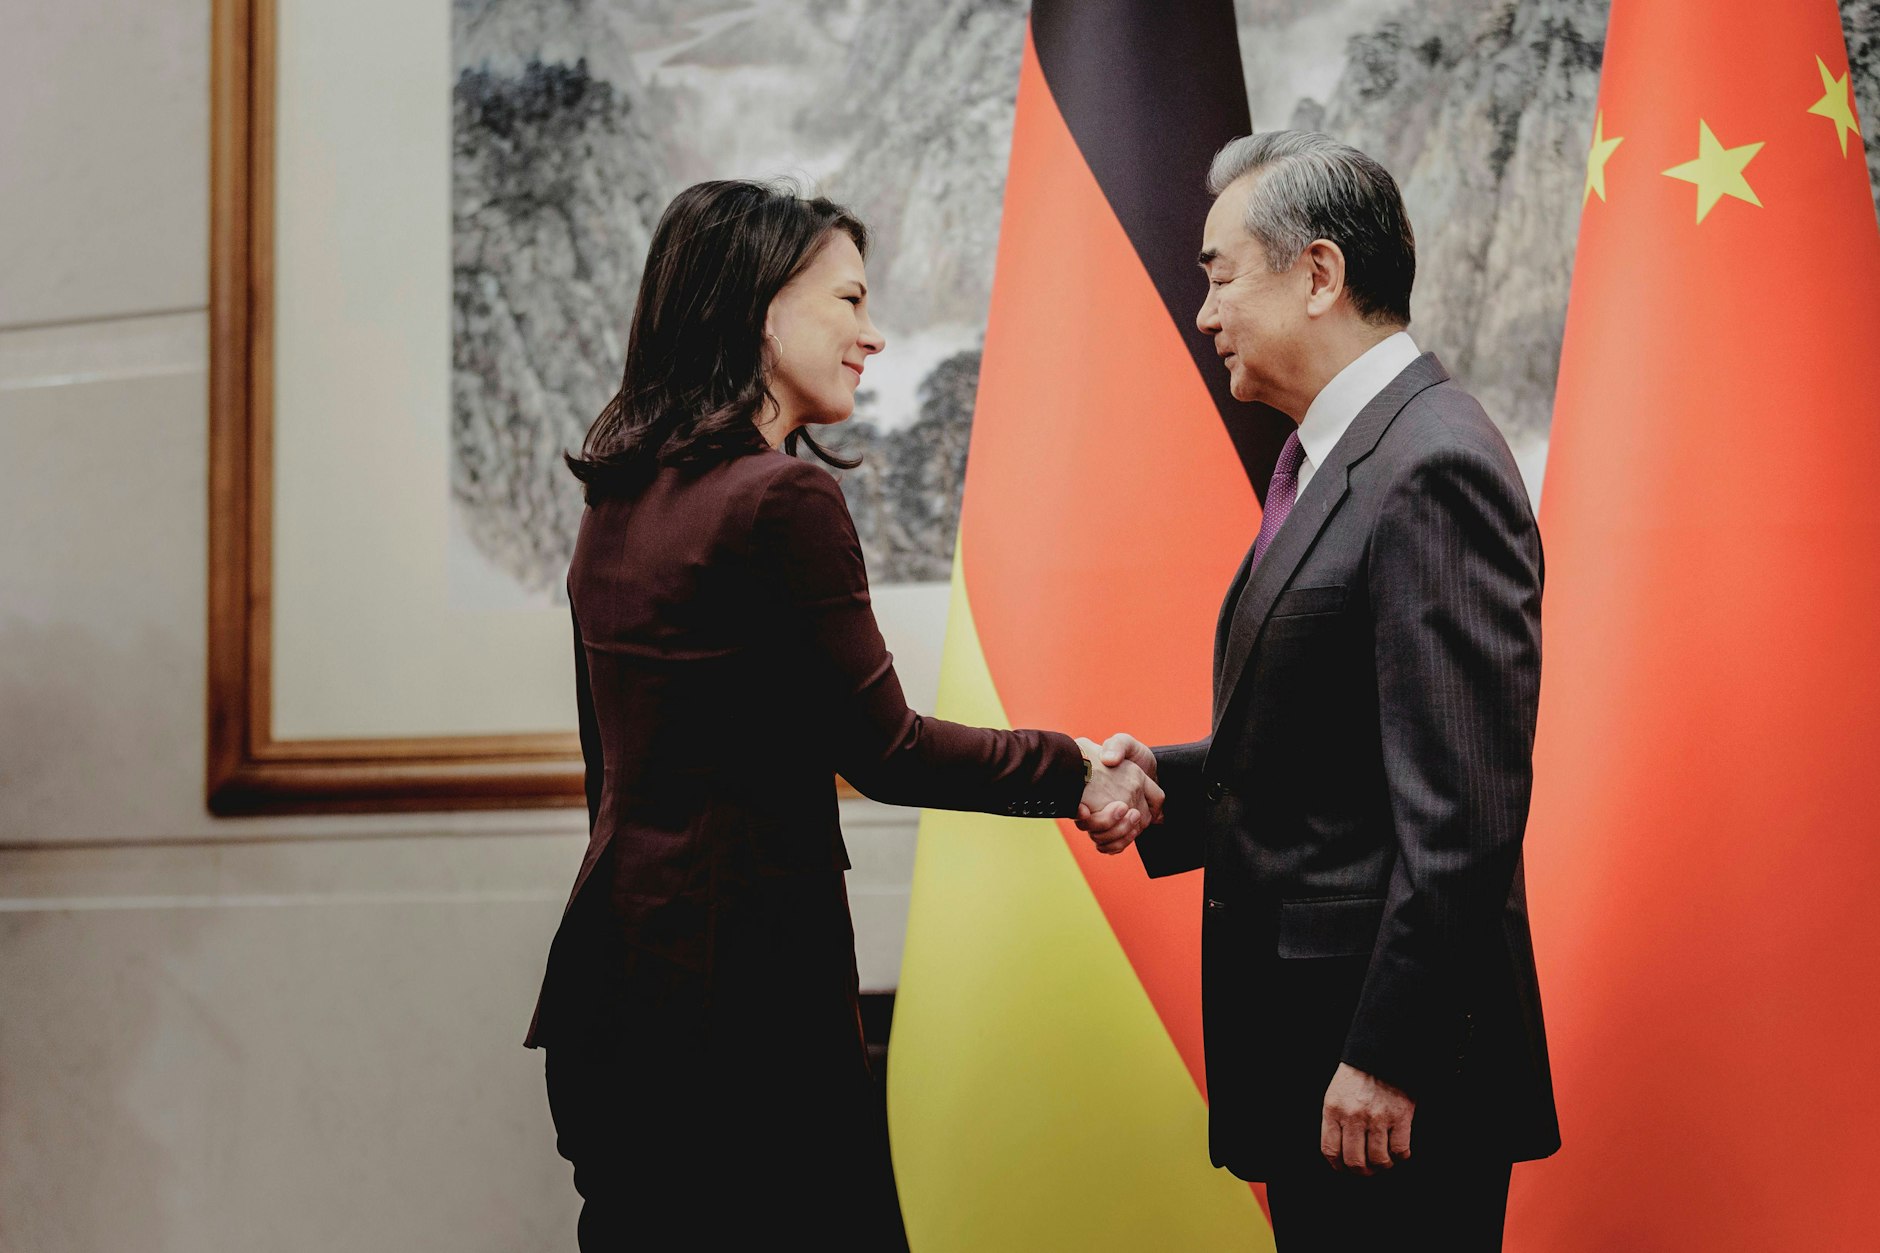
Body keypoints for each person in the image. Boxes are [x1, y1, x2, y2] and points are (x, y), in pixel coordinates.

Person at [525, 179, 1162, 1250]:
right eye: (849, 301)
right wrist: (1075, 768)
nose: (871, 335)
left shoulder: (614, 502)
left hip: (606, 991)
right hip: (746, 1010)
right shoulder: (783, 499)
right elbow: (889, 750)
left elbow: (610, 776)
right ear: (763, 312)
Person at [1085, 132, 1559, 1250]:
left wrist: (1388, 1052)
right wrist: (1168, 779)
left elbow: (1462, 812)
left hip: (1389, 1076)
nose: (1202, 313)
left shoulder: (1428, 463)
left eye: (1217, 274)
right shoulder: (1339, 457)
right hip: (1319, 1050)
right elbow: (1345, 734)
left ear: (1316, 273)